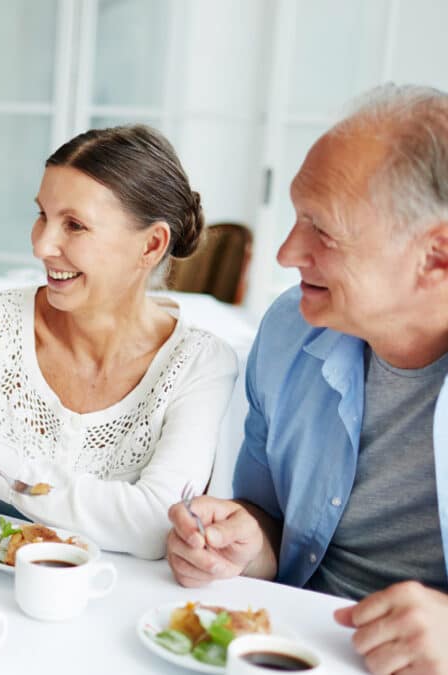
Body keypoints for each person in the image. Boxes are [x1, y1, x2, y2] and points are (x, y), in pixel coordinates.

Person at [166, 84, 448, 674]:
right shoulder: (289, 331)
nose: (287, 252)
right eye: (297, 217)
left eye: (323, 230)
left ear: (436, 256)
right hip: (286, 643)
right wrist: (246, 544)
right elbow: (273, 522)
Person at [0, 125, 238, 559]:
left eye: (74, 225)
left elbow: (157, 522)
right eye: (42, 215)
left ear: (151, 245)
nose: (41, 244)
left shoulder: (200, 364)